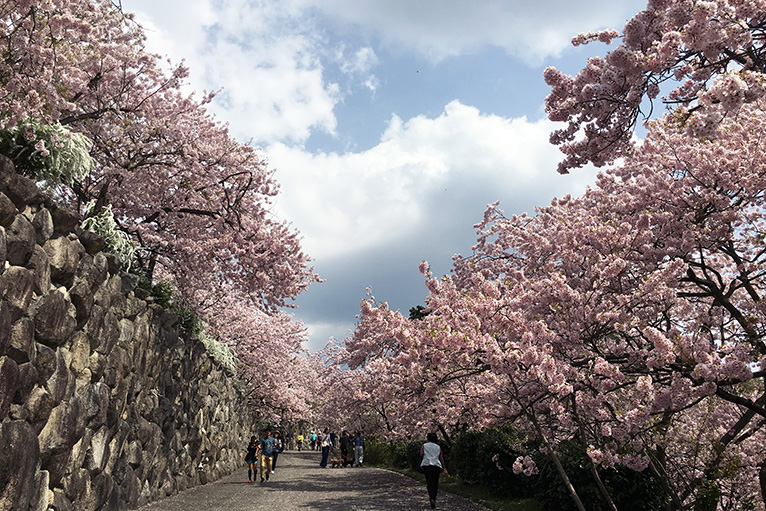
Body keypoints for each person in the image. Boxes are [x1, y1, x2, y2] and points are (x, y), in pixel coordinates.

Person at [420, 433, 448, 509]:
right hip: (436, 465)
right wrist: (444, 468)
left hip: (427, 465)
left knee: (429, 483)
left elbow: (421, 454)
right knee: (435, 483)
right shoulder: (438, 447)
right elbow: (441, 457)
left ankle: (431, 498)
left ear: (428, 438)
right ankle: (434, 499)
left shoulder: (424, 445)